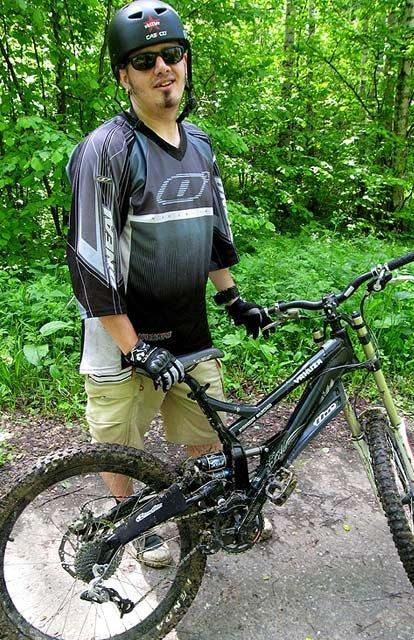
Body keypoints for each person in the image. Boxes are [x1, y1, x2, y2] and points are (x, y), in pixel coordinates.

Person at [66, 0, 272, 567]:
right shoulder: (106, 150)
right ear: (123, 76)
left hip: (188, 330)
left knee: (204, 430)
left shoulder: (200, 144)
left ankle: (204, 512)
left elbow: (214, 235)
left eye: (172, 54)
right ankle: (131, 524)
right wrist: (135, 348)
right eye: (144, 60)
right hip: (122, 340)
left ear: (185, 61)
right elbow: (89, 262)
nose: (162, 67)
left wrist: (233, 299)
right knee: (119, 443)